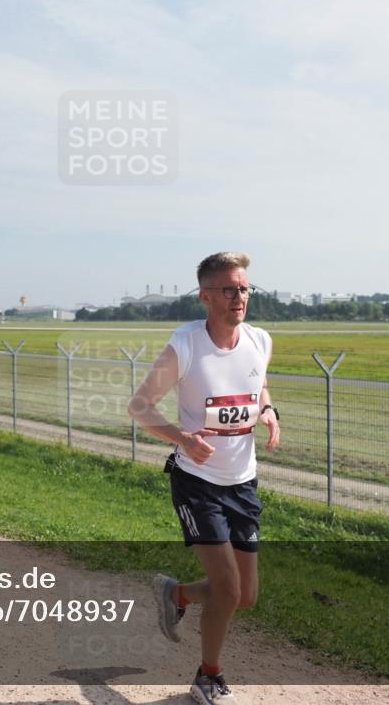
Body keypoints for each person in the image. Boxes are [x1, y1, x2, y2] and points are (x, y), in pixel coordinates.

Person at [128, 252, 280, 705]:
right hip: (197, 480)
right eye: (230, 290)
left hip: (243, 481)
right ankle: (207, 677)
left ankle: (176, 593)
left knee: (245, 596)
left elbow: (258, 384)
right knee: (229, 589)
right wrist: (183, 439)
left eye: (246, 288)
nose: (240, 297)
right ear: (206, 296)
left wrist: (268, 410)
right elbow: (140, 407)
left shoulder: (260, 340)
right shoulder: (187, 345)